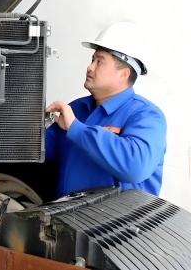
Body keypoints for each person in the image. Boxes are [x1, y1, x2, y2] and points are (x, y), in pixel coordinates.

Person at [45, 22, 167, 197]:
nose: (90, 67)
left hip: (119, 216)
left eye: (100, 62)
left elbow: (135, 166)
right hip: (67, 214)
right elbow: (37, 149)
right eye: (92, 60)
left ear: (123, 74)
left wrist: (76, 128)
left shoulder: (146, 115)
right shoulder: (77, 109)